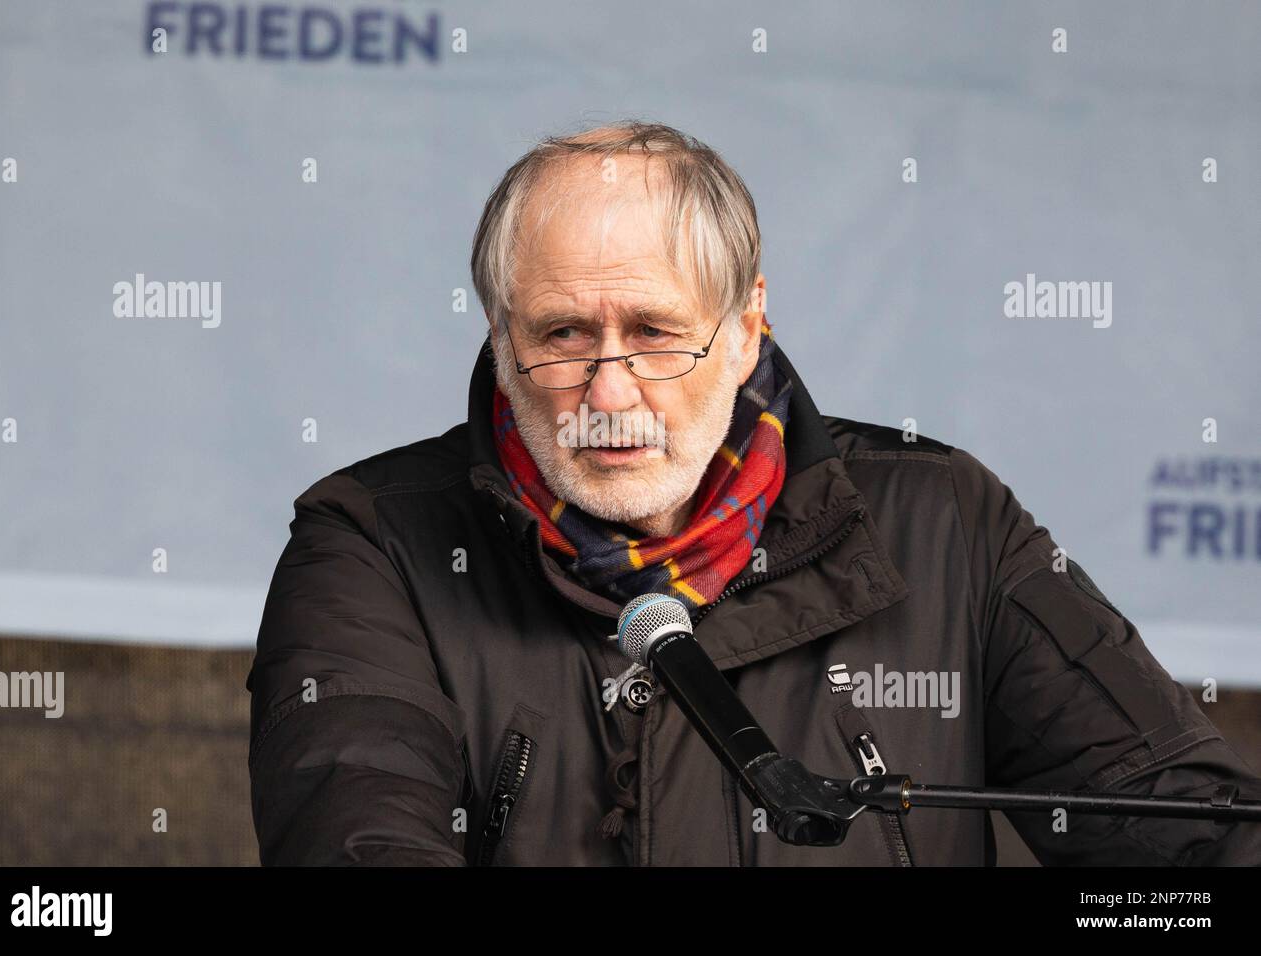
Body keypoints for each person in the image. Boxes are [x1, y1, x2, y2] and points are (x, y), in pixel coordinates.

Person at [245, 120, 1261, 865]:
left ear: (744, 328)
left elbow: (1180, 842)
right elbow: (358, 836)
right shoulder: (373, 543)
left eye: (653, 333)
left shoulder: (945, 520)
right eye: (560, 335)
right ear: (500, 338)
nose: (608, 390)